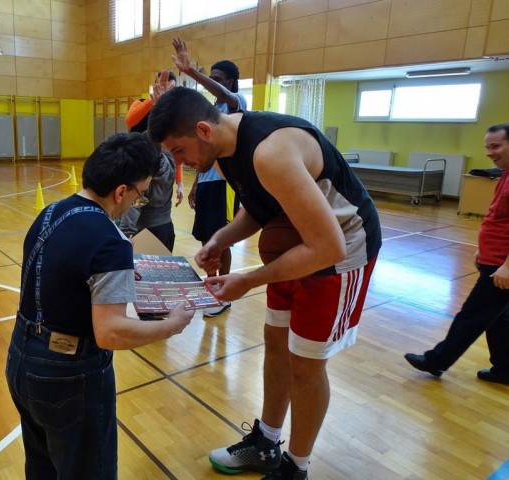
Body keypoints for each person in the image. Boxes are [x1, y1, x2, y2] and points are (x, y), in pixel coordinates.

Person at [148, 87, 381, 480]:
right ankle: (266, 443)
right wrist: (221, 238)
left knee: (306, 364)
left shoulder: (271, 152)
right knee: (275, 344)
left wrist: (247, 280)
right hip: (298, 245)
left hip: (340, 250)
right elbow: (259, 209)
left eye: (178, 150)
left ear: (203, 129)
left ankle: (297, 468)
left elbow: (328, 246)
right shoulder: (224, 154)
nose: (178, 162)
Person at [5, 132, 194, 480]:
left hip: (20, 358)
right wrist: (174, 324)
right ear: (120, 191)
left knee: (42, 467)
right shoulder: (109, 240)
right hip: (68, 376)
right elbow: (111, 332)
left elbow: (65, 278)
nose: (139, 201)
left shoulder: (51, 212)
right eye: (140, 194)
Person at [404, 123, 509, 386]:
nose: (489, 153)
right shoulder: (506, 173)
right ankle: (505, 369)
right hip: (494, 259)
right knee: (499, 318)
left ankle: (436, 361)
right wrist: (483, 248)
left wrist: (508, 266)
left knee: (472, 316)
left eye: (496, 146)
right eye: (487, 147)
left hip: (501, 266)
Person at [171, 37, 248, 317]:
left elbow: (227, 96)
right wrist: (194, 187)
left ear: (230, 82)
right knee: (206, 239)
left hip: (225, 187)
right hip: (206, 185)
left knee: (220, 240)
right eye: (210, 77)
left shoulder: (236, 103)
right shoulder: (212, 114)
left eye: (217, 78)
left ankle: (222, 295)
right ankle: (213, 286)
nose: (212, 82)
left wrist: (192, 72)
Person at [119, 71, 183, 252]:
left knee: (147, 201)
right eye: (162, 87)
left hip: (159, 163)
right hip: (140, 160)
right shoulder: (140, 104)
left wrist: (179, 182)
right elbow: (130, 119)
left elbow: (175, 151)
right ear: (155, 86)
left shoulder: (172, 115)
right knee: (137, 198)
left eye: (170, 89)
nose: (165, 92)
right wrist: (154, 103)